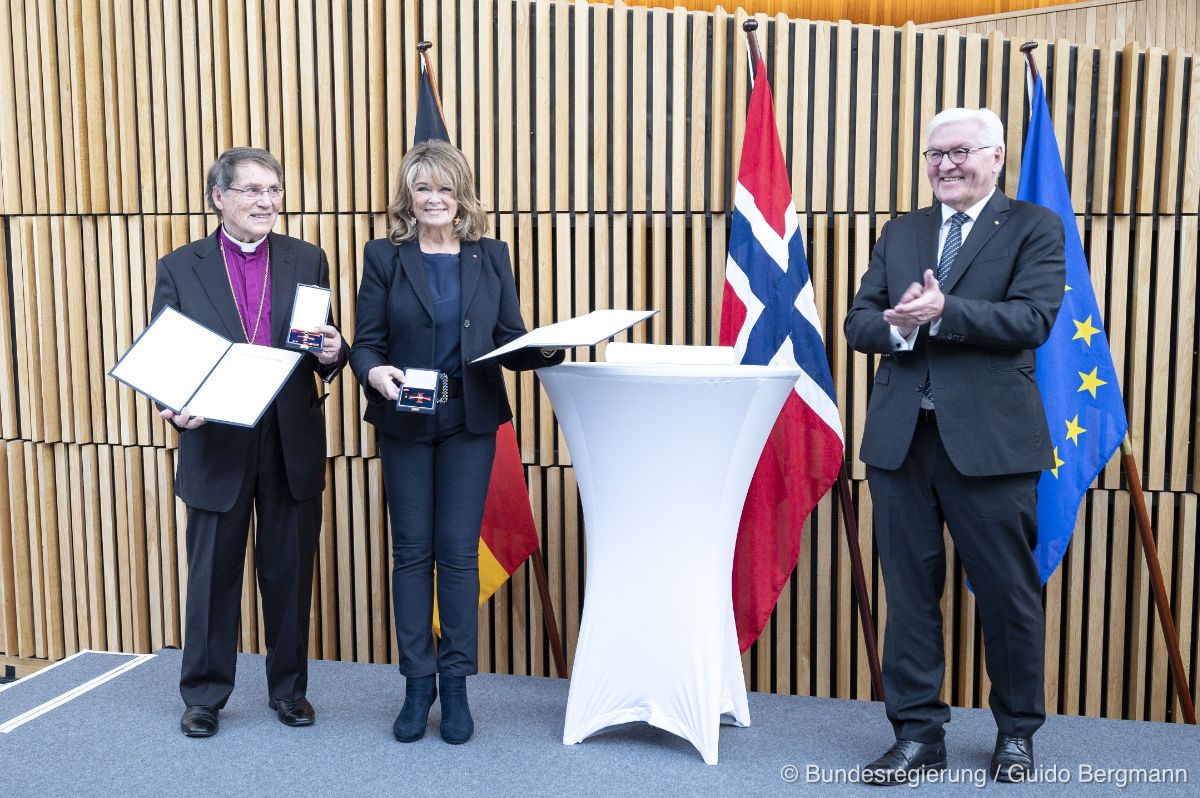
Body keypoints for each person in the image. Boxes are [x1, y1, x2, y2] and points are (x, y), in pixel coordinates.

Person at [843, 108, 1065, 784]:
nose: (944, 164)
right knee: (909, 598)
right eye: (934, 153)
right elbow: (860, 323)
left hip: (992, 448)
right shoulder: (903, 231)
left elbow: (1033, 319)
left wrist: (945, 312)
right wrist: (900, 327)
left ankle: (1017, 734)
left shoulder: (1035, 227)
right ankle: (917, 736)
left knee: (1007, 596)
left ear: (995, 158)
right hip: (901, 444)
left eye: (960, 151)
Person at [350, 140, 563, 745]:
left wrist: (548, 348)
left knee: (458, 555)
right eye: (423, 189)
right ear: (408, 198)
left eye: (445, 188)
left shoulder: (490, 255)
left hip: (471, 422)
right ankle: (419, 685)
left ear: (461, 194)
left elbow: (510, 337)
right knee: (412, 554)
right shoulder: (384, 257)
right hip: (406, 421)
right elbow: (367, 342)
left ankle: (458, 683)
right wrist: (372, 373)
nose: (434, 199)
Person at [152, 147, 349, 738]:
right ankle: (204, 696)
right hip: (215, 439)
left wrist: (336, 354)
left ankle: (289, 691)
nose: (267, 202)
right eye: (253, 191)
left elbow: (323, 349)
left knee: (289, 572)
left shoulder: (308, 258)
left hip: (290, 437)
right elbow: (166, 356)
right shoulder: (180, 266)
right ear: (219, 198)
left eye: (275, 190)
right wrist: (171, 406)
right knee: (212, 575)